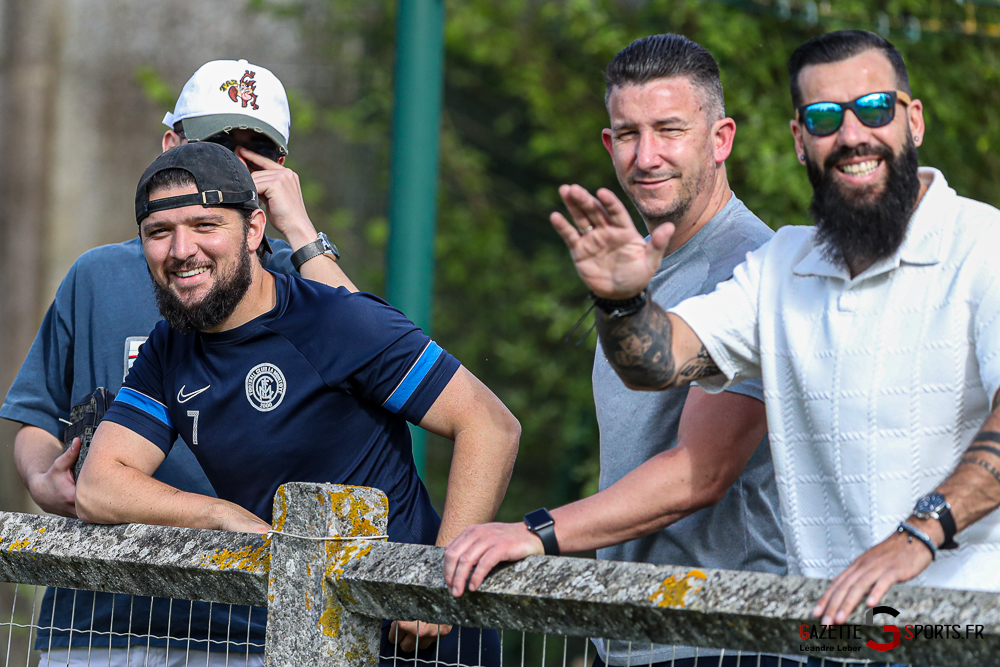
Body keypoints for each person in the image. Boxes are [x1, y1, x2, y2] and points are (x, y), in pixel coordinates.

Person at [449, 27, 1000, 652]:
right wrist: (622, 300)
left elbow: (700, 472)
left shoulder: (983, 246)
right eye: (824, 117)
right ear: (799, 140)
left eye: (873, 109)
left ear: (914, 120)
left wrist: (919, 534)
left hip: (962, 635)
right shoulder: (784, 266)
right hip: (832, 640)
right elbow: (660, 362)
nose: (851, 135)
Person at [75, 142, 521, 667]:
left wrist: (438, 579)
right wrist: (218, 515)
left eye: (204, 226)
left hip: (421, 638)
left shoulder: (335, 320)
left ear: (254, 230)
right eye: (159, 232)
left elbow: (490, 426)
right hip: (307, 639)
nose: (181, 250)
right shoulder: (169, 348)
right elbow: (99, 486)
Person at [446, 35, 788, 667]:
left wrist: (535, 533)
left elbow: (700, 473)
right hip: (631, 636)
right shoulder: (631, 268)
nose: (646, 156)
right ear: (609, 144)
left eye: (670, 130)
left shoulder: (753, 267)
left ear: (721, 139)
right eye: (629, 134)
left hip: (726, 639)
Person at [0, 59, 355, 666]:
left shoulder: (299, 278)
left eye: (257, 154)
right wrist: (40, 478)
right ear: (171, 146)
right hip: (97, 618)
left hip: (251, 620)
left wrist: (300, 231)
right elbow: (38, 416)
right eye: (215, 145)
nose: (235, 165)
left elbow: (375, 353)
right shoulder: (97, 275)